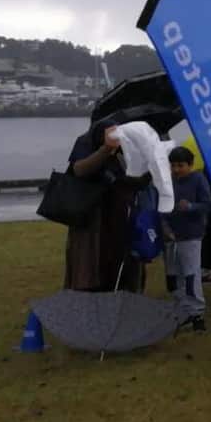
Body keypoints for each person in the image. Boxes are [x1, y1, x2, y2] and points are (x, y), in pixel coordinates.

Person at [63, 120, 147, 293]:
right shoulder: (85, 143)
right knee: (90, 269)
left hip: (120, 216)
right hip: (91, 220)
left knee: (122, 265)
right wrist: (106, 149)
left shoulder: (124, 149)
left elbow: (134, 181)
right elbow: (79, 169)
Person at [162, 147, 211, 331]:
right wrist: (164, 226)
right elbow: (162, 206)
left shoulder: (198, 179)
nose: (176, 169)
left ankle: (197, 313)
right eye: (173, 165)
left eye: (180, 166)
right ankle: (181, 310)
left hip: (191, 236)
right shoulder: (168, 181)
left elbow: (207, 204)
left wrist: (190, 206)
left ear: (190, 165)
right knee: (174, 276)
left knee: (191, 274)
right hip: (170, 237)